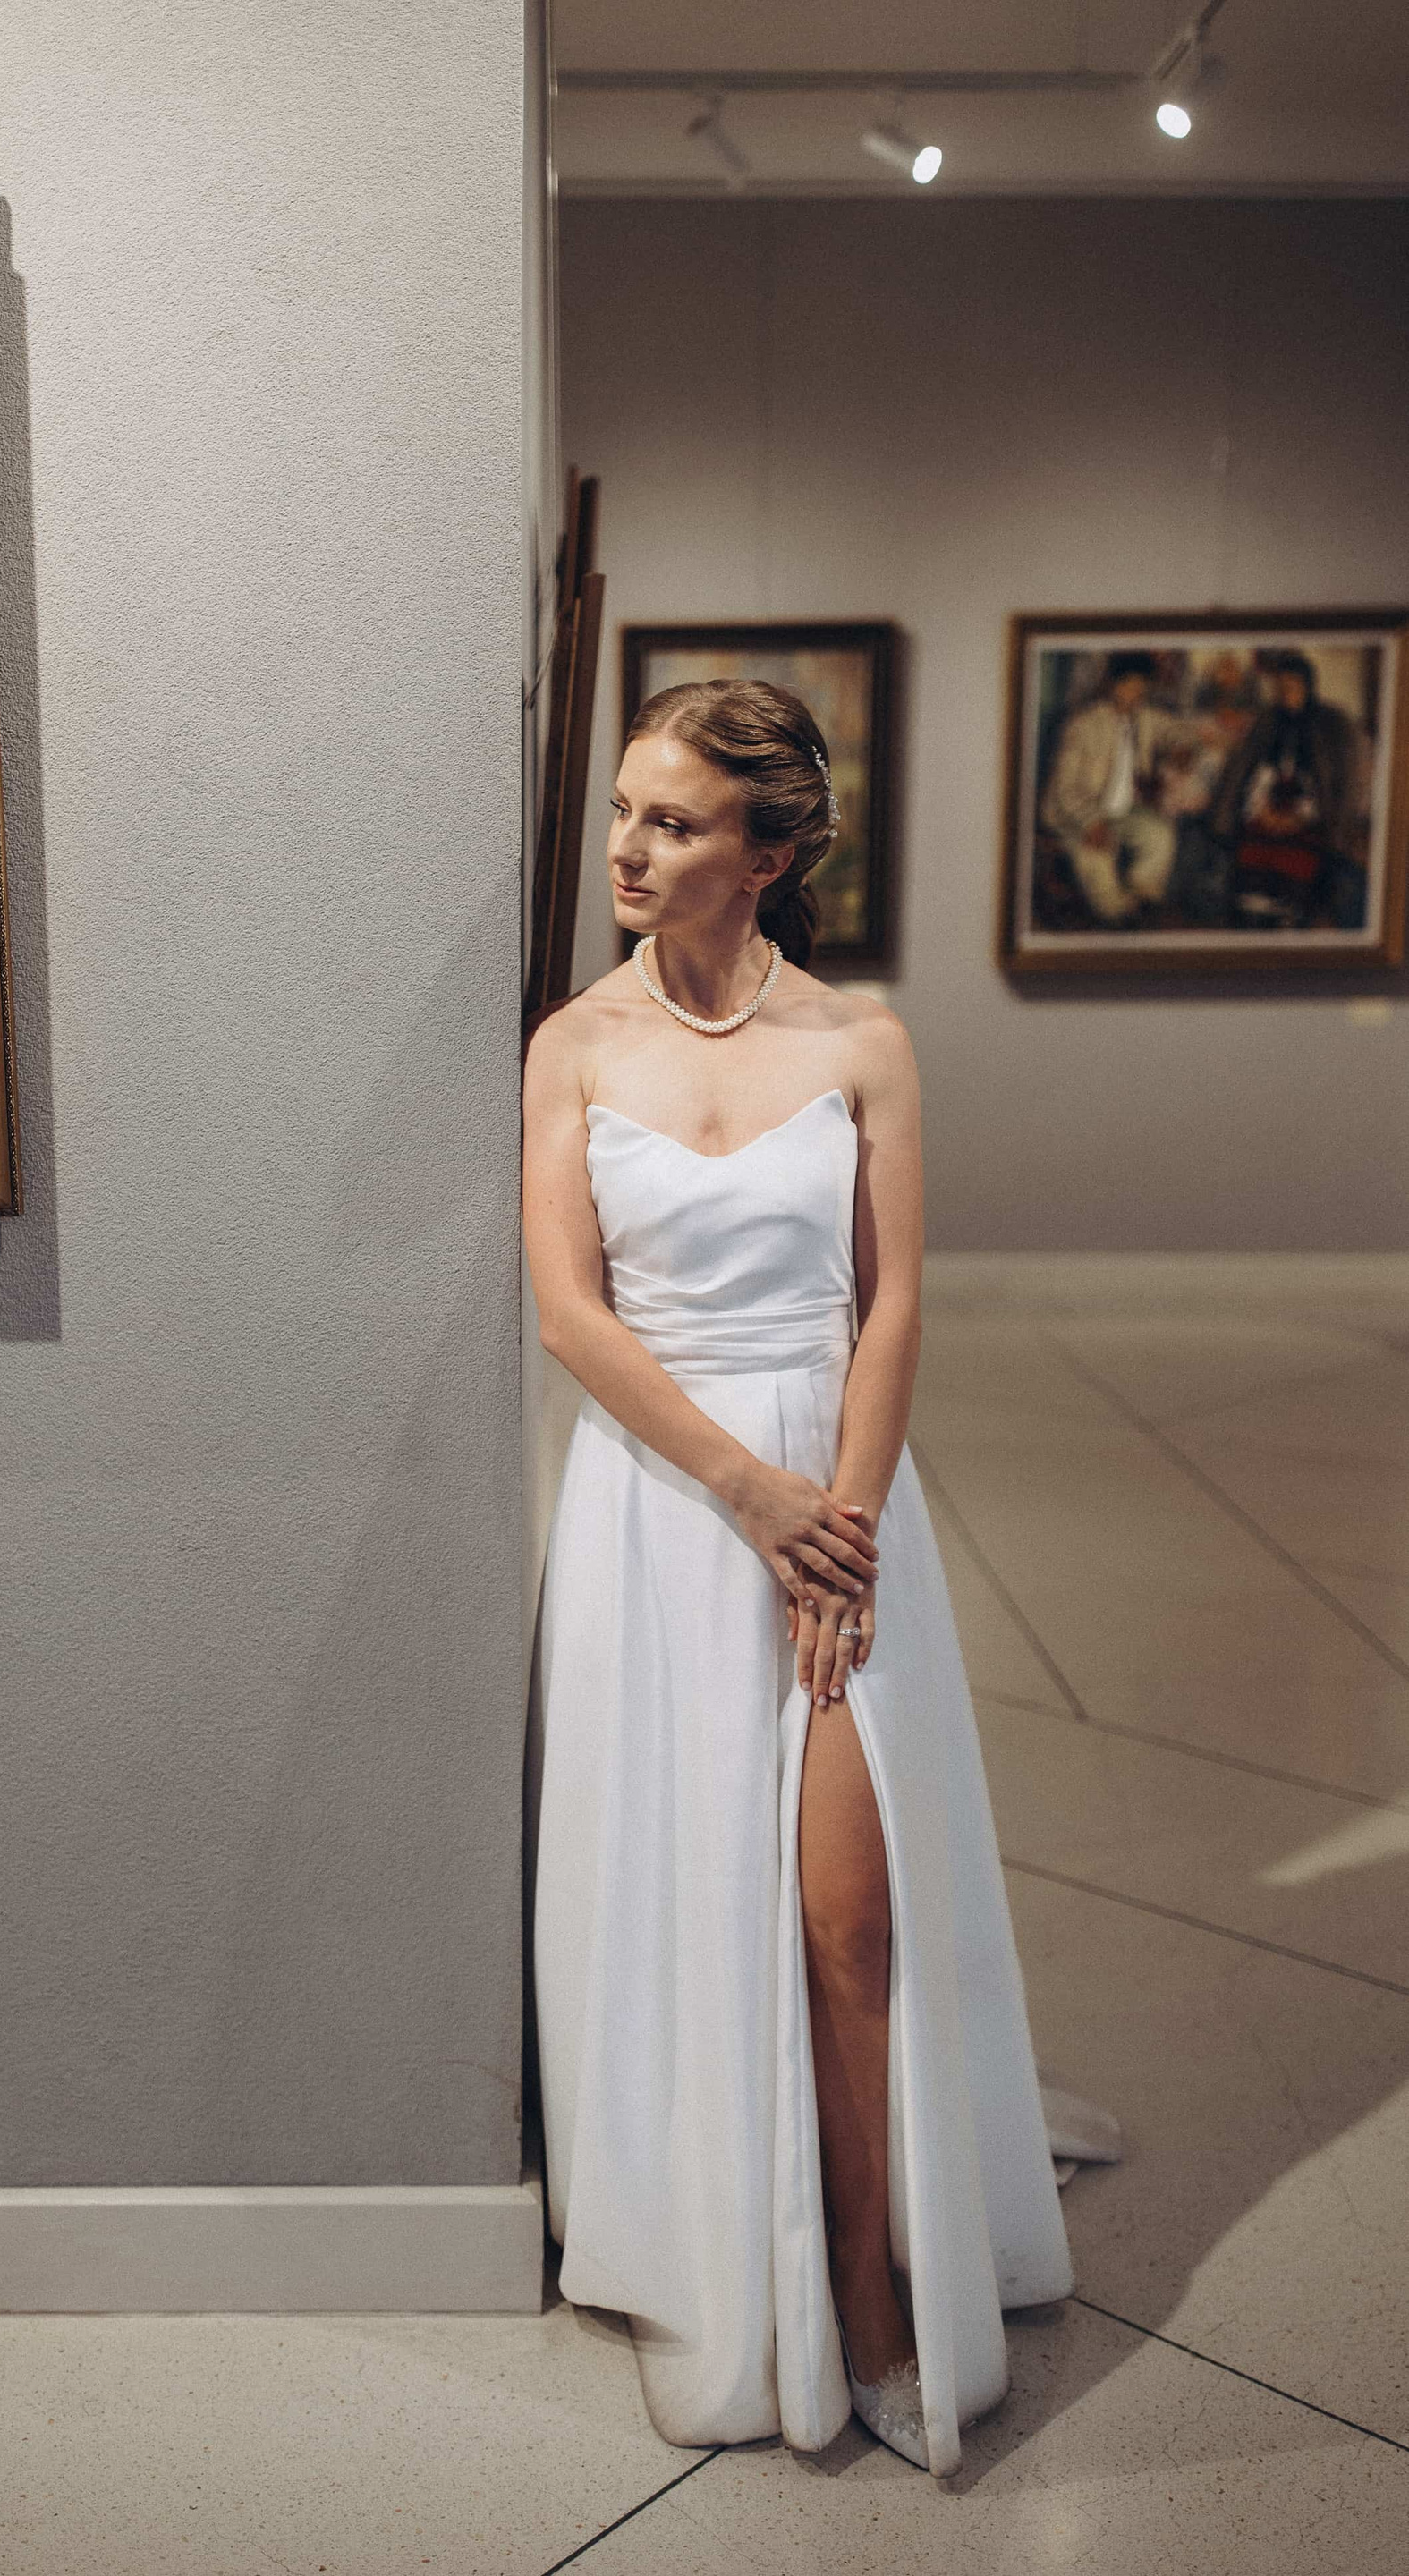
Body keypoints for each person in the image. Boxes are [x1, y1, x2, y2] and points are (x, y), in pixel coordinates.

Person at [524, 681, 1099, 2480]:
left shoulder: (863, 1044)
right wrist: (748, 1496)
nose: (628, 849)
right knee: (696, 1884)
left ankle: (866, 2283)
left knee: (852, 1917)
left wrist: (836, 1524)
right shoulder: (573, 1045)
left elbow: (893, 1299)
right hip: (666, 1506)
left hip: (840, 1510)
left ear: (768, 854)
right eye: (626, 811)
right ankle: (734, 2245)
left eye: (674, 822)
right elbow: (571, 1315)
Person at [1209, 649, 1366, 929]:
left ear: (1307, 687)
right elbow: (1250, 773)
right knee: (1254, 843)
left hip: (1310, 815)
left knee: (1296, 853)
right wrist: (1262, 811)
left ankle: (1290, 915)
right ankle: (1253, 914)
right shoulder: (1267, 722)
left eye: (1292, 687)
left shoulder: (1329, 725)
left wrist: (1299, 818)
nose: (1286, 694)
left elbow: (1330, 788)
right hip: (1267, 806)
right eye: (1281, 688)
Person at [1039, 650, 1187, 924]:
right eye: (1130, 686)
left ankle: (1141, 895)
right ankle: (1116, 915)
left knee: (1161, 834)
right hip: (1074, 814)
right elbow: (1063, 790)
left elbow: (1176, 731)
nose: (1136, 694)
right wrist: (1091, 821)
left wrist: (1181, 747)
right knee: (1098, 854)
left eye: (1141, 688)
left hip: (1122, 811)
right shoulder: (1083, 725)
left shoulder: (1145, 717)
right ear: (1112, 684)